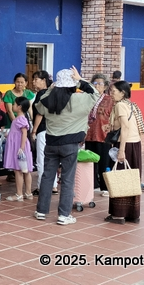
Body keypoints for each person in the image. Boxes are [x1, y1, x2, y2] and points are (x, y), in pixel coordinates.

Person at [33, 67, 100, 226]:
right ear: (72, 84)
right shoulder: (80, 100)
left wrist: (51, 88)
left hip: (51, 143)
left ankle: (41, 211)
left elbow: (39, 105)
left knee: (47, 177)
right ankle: (63, 215)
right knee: (68, 179)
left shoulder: (48, 100)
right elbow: (95, 93)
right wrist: (80, 80)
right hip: (70, 145)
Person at [106, 81, 144, 224]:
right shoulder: (130, 105)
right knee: (131, 178)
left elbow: (125, 127)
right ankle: (132, 214)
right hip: (135, 144)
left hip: (125, 144)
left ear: (122, 93)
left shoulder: (120, 105)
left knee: (120, 178)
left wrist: (121, 151)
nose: (111, 94)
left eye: (114, 91)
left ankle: (118, 215)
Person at [84, 74, 114, 197]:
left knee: (104, 161)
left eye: (100, 84)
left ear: (105, 86)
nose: (97, 86)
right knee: (90, 160)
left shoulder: (110, 100)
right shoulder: (88, 98)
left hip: (103, 135)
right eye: (95, 83)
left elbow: (113, 117)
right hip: (89, 134)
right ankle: (93, 184)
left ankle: (105, 186)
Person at [30, 70, 55, 196]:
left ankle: (41, 187)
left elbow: (40, 113)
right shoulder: (52, 93)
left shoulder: (41, 94)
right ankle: (53, 185)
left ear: (44, 80)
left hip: (42, 129)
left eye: (36, 79)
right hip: (52, 129)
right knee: (52, 159)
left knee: (41, 159)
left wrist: (34, 130)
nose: (33, 82)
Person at [4, 97, 34, 201]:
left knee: (18, 170)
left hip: (19, 147)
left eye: (14, 104)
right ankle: (28, 193)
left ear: (19, 107)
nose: (12, 106)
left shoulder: (20, 119)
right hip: (20, 146)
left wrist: (21, 148)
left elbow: (24, 133)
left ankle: (19, 194)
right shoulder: (20, 118)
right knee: (26, 170)